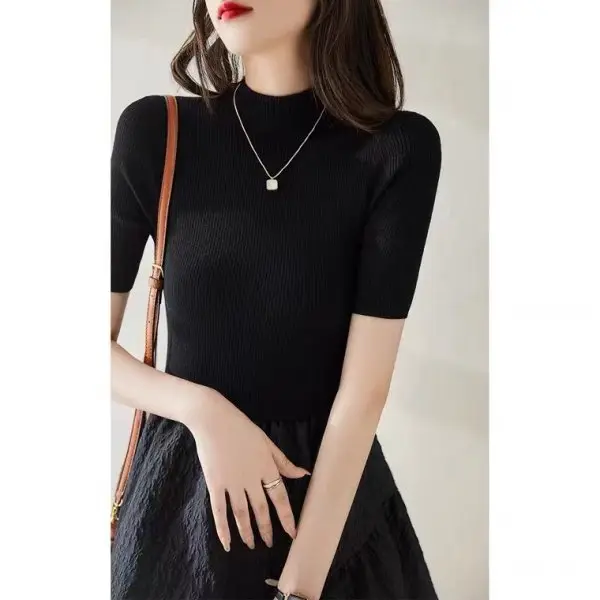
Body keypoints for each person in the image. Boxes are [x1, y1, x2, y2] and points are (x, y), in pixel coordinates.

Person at [110, 1, 442, 598]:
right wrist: (205, 412)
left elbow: (363, 393)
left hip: (331, 515)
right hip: (184, 503)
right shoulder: (156, 132)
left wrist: (299, 590)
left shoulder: (397, 148)